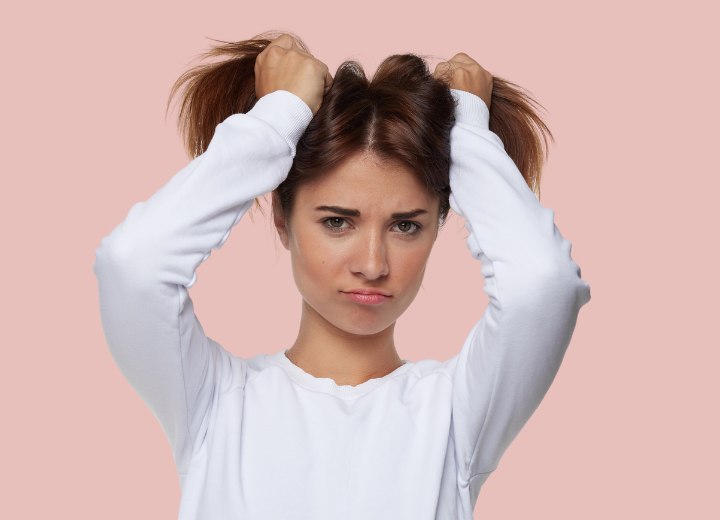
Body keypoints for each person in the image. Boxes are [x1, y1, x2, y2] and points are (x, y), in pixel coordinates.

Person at [94, 31, 591, 520]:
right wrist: (277, 119)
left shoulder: (455, 417)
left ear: (439, 225)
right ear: (282, 220)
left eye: (405, 225)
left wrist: (468, 133)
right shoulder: (215, 403)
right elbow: (133, 265)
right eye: (337, 221)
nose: (372, 264)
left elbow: (542, 285)